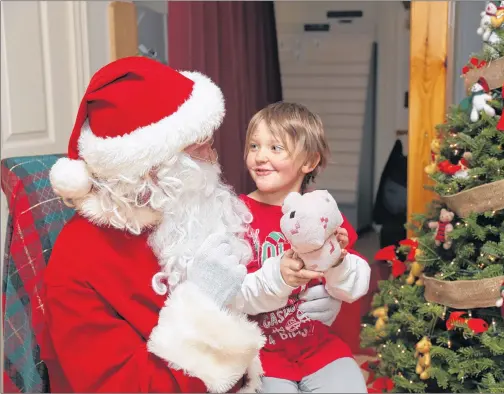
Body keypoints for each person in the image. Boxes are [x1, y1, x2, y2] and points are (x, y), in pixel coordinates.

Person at [41, 57, 342, 393]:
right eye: (198, 145)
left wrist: (305, 305)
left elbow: (249, 292)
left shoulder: (192, 208)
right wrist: (203, 310)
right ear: (152, 167)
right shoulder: (79, 260)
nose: (213, 152)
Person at [239, 102, 371, 393]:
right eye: (253, 145)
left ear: (309, 162)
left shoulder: (322, 211)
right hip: (261, 354)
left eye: (276, 148)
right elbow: (230, 292)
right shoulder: (236, 214)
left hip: (319, 348)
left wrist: (338, 264)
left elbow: (354, 283)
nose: (260, 156)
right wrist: (279, 278)